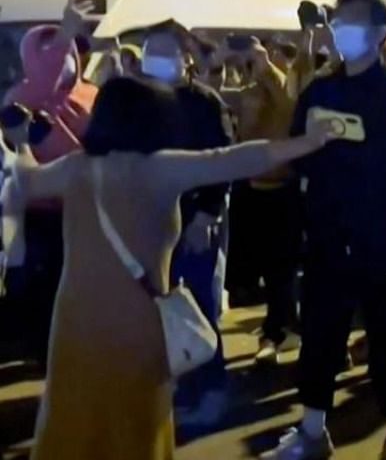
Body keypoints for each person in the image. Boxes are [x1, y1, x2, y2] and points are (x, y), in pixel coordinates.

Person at [16, 76, 336, 460]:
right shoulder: (164, 169)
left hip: (74, 321)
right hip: (139, 322)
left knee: (75, 414)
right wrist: (309, 141)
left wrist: (20, 139)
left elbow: (24, 181)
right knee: (135, 420)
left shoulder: (75, 168)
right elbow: (237, 158)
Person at [264, 0, 386, 460]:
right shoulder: (320, 88)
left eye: (351, 23)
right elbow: (296, 148)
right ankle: (312, 430)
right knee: (320, 332)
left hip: (378, 235)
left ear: (379, 35)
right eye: (338, 22)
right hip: (327, 231)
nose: (340, 30)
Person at [137, 21, 236, 425]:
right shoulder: (136, 102)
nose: (156, 57)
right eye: (150, 49)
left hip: (194, 220)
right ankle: (171, 389)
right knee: (153, 310)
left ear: (186, 57)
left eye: (165, 49)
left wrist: (208, 215)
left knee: (196, 306)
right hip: (147, 222)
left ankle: (210, 389)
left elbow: (223, 161)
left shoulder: (205, 103)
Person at [3, 0, 98, 367]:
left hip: (84, 205)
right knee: (40, 282)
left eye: (65, 51)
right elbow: (44, 80)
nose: (61, 60)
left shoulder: (91, 94)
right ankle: (42, 347)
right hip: (39, 209)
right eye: (49, 53)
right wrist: (65, 34)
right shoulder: (21, 97)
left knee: (74, 283)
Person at [221, 36, 304, 367]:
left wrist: (264, 63)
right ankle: (284, 324)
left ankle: (276, 332)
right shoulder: (250, 92)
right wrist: (216, 60)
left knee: (282, 266)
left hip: (283, 189)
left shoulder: (285, 93)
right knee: (267, 268)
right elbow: (222, 99)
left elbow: (286, 102)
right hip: (251, 187)